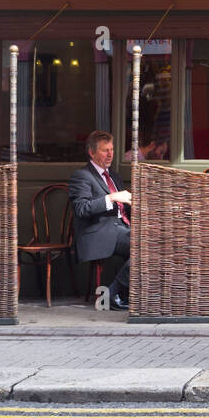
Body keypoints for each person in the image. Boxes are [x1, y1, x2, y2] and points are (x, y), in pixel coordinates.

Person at [69, 131, 132, 311]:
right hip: (99, 232)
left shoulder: (114, 176)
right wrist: (111, 198)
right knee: (144, 248)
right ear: (92, 152)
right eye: (105, 150)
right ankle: (111, 295)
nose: (110, 154)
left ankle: (121, 294)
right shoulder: (82, 176)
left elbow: (125, 208)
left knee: (152, 243)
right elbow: (81, 209)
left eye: (112, 149)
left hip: (123, 228)